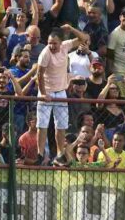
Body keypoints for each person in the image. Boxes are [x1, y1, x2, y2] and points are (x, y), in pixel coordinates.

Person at [36, 25, 89, 164]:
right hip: (46, 92)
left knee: (61, 126)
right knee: (42, 125)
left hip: (61, 92)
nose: (52, 46)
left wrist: (71, 29)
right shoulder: (45, 54)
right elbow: (39, 74)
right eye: (49, 43)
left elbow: (84, 38)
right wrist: (42, 94)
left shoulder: (66, 46)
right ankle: (40, 154)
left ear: (61, 42)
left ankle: (60, 153)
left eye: (54, 43)